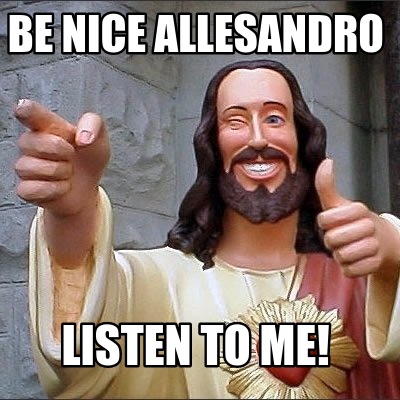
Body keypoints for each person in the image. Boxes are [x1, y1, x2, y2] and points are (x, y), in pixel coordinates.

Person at [14, 60, 400, 399]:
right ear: (211, 145)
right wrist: (72, 216)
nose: (258, 138)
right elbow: (81, 350)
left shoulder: (363, 285)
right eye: (236, 121)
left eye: (274, 118)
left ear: (302, 139)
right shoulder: (161, 282)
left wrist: (393, 257)